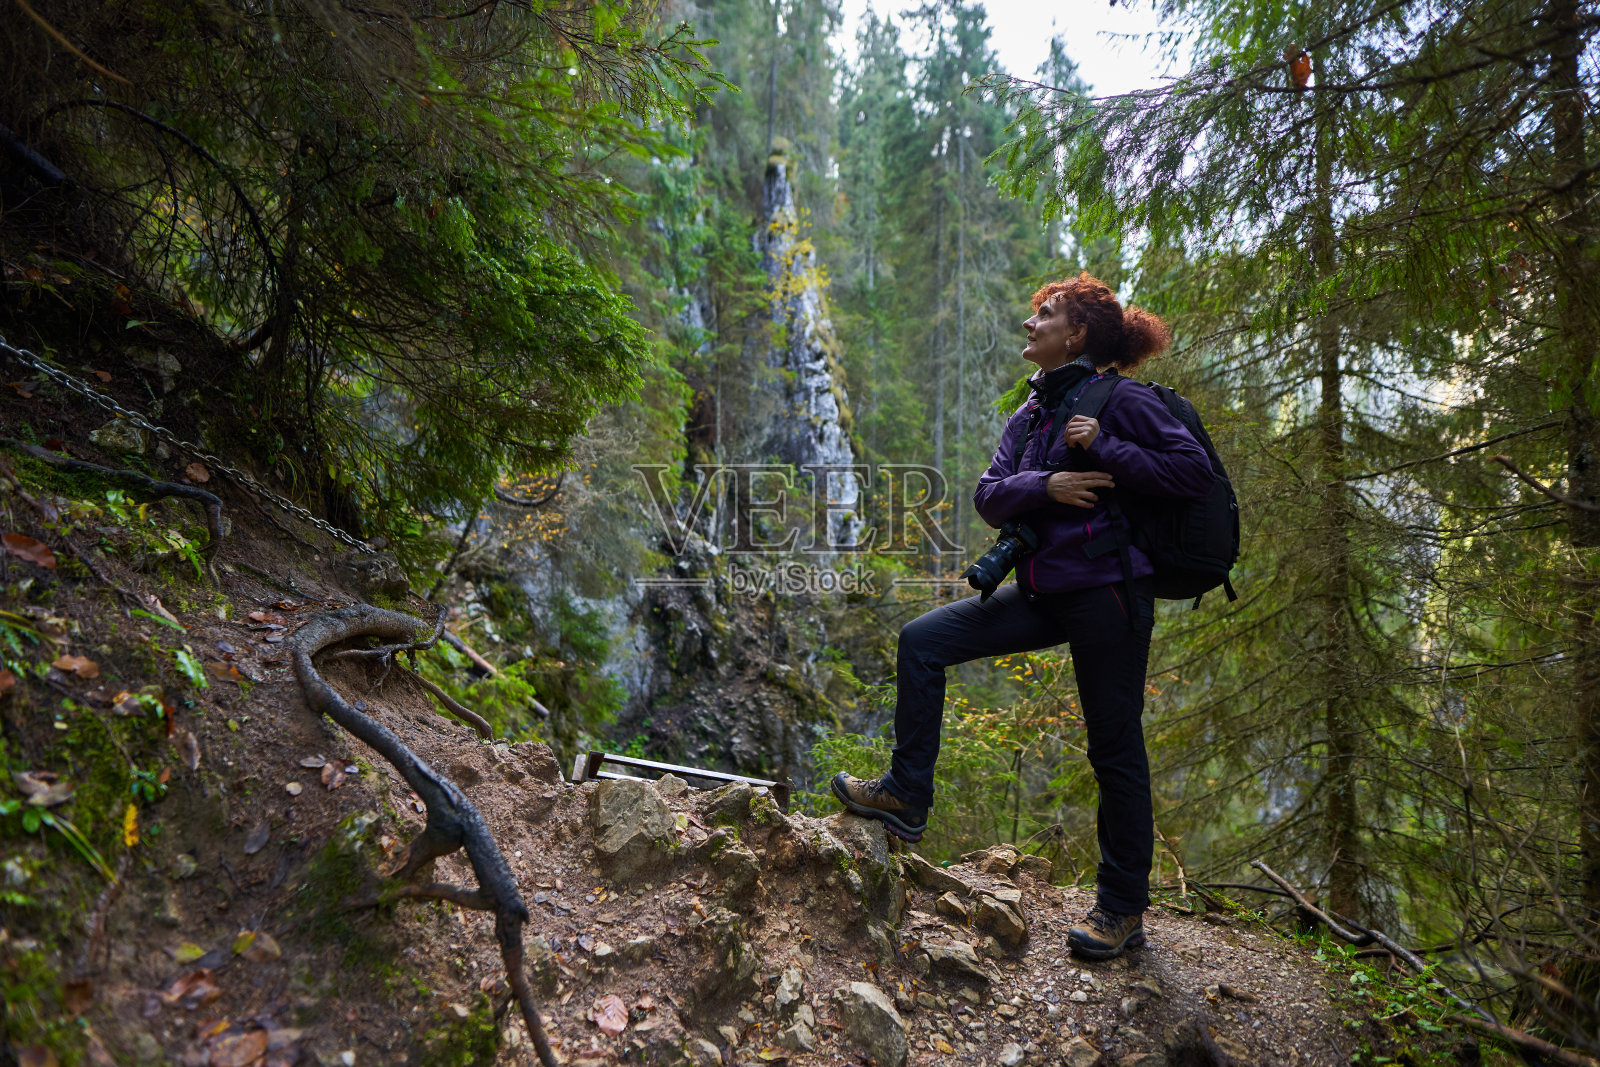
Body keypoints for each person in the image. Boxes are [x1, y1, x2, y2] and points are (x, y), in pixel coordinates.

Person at [830, 271, 1215, 959]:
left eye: (1046, 314)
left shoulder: (1121, 401)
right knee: (922, 641)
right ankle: (906, 795)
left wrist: (1106, 447)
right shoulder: (1031, 413)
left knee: (1114, 745)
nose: (1031, 322)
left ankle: (1122, 908)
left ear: (1077, 334)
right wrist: (1049, 483)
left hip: (1109, 592)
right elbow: (988, 495)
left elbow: (1193, 472)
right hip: (1043, 589)